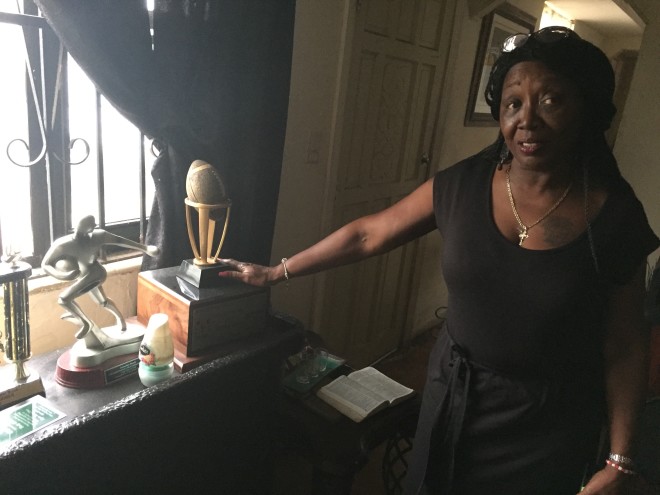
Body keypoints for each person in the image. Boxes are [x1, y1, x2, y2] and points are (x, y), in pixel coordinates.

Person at [219, 26, 659, 494]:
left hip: (547, 426)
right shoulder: (462, 186)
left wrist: (619, 460)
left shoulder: (615, 219)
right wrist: (276, 272)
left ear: (585, 108)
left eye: (551, 101)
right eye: (513, 103)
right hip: (454, 400)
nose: (527, 120)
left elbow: (625, 346)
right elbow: (369, 234)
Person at [42, 215, 159, 345]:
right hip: (84, 275)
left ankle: (85, 323)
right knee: (103, 302)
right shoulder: (63, 245)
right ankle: (121, 320)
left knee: (64, 299)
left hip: (96, 273)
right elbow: (45, 264)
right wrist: (63, 275)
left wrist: (145, 249)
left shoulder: (98, 237)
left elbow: (120, 241)